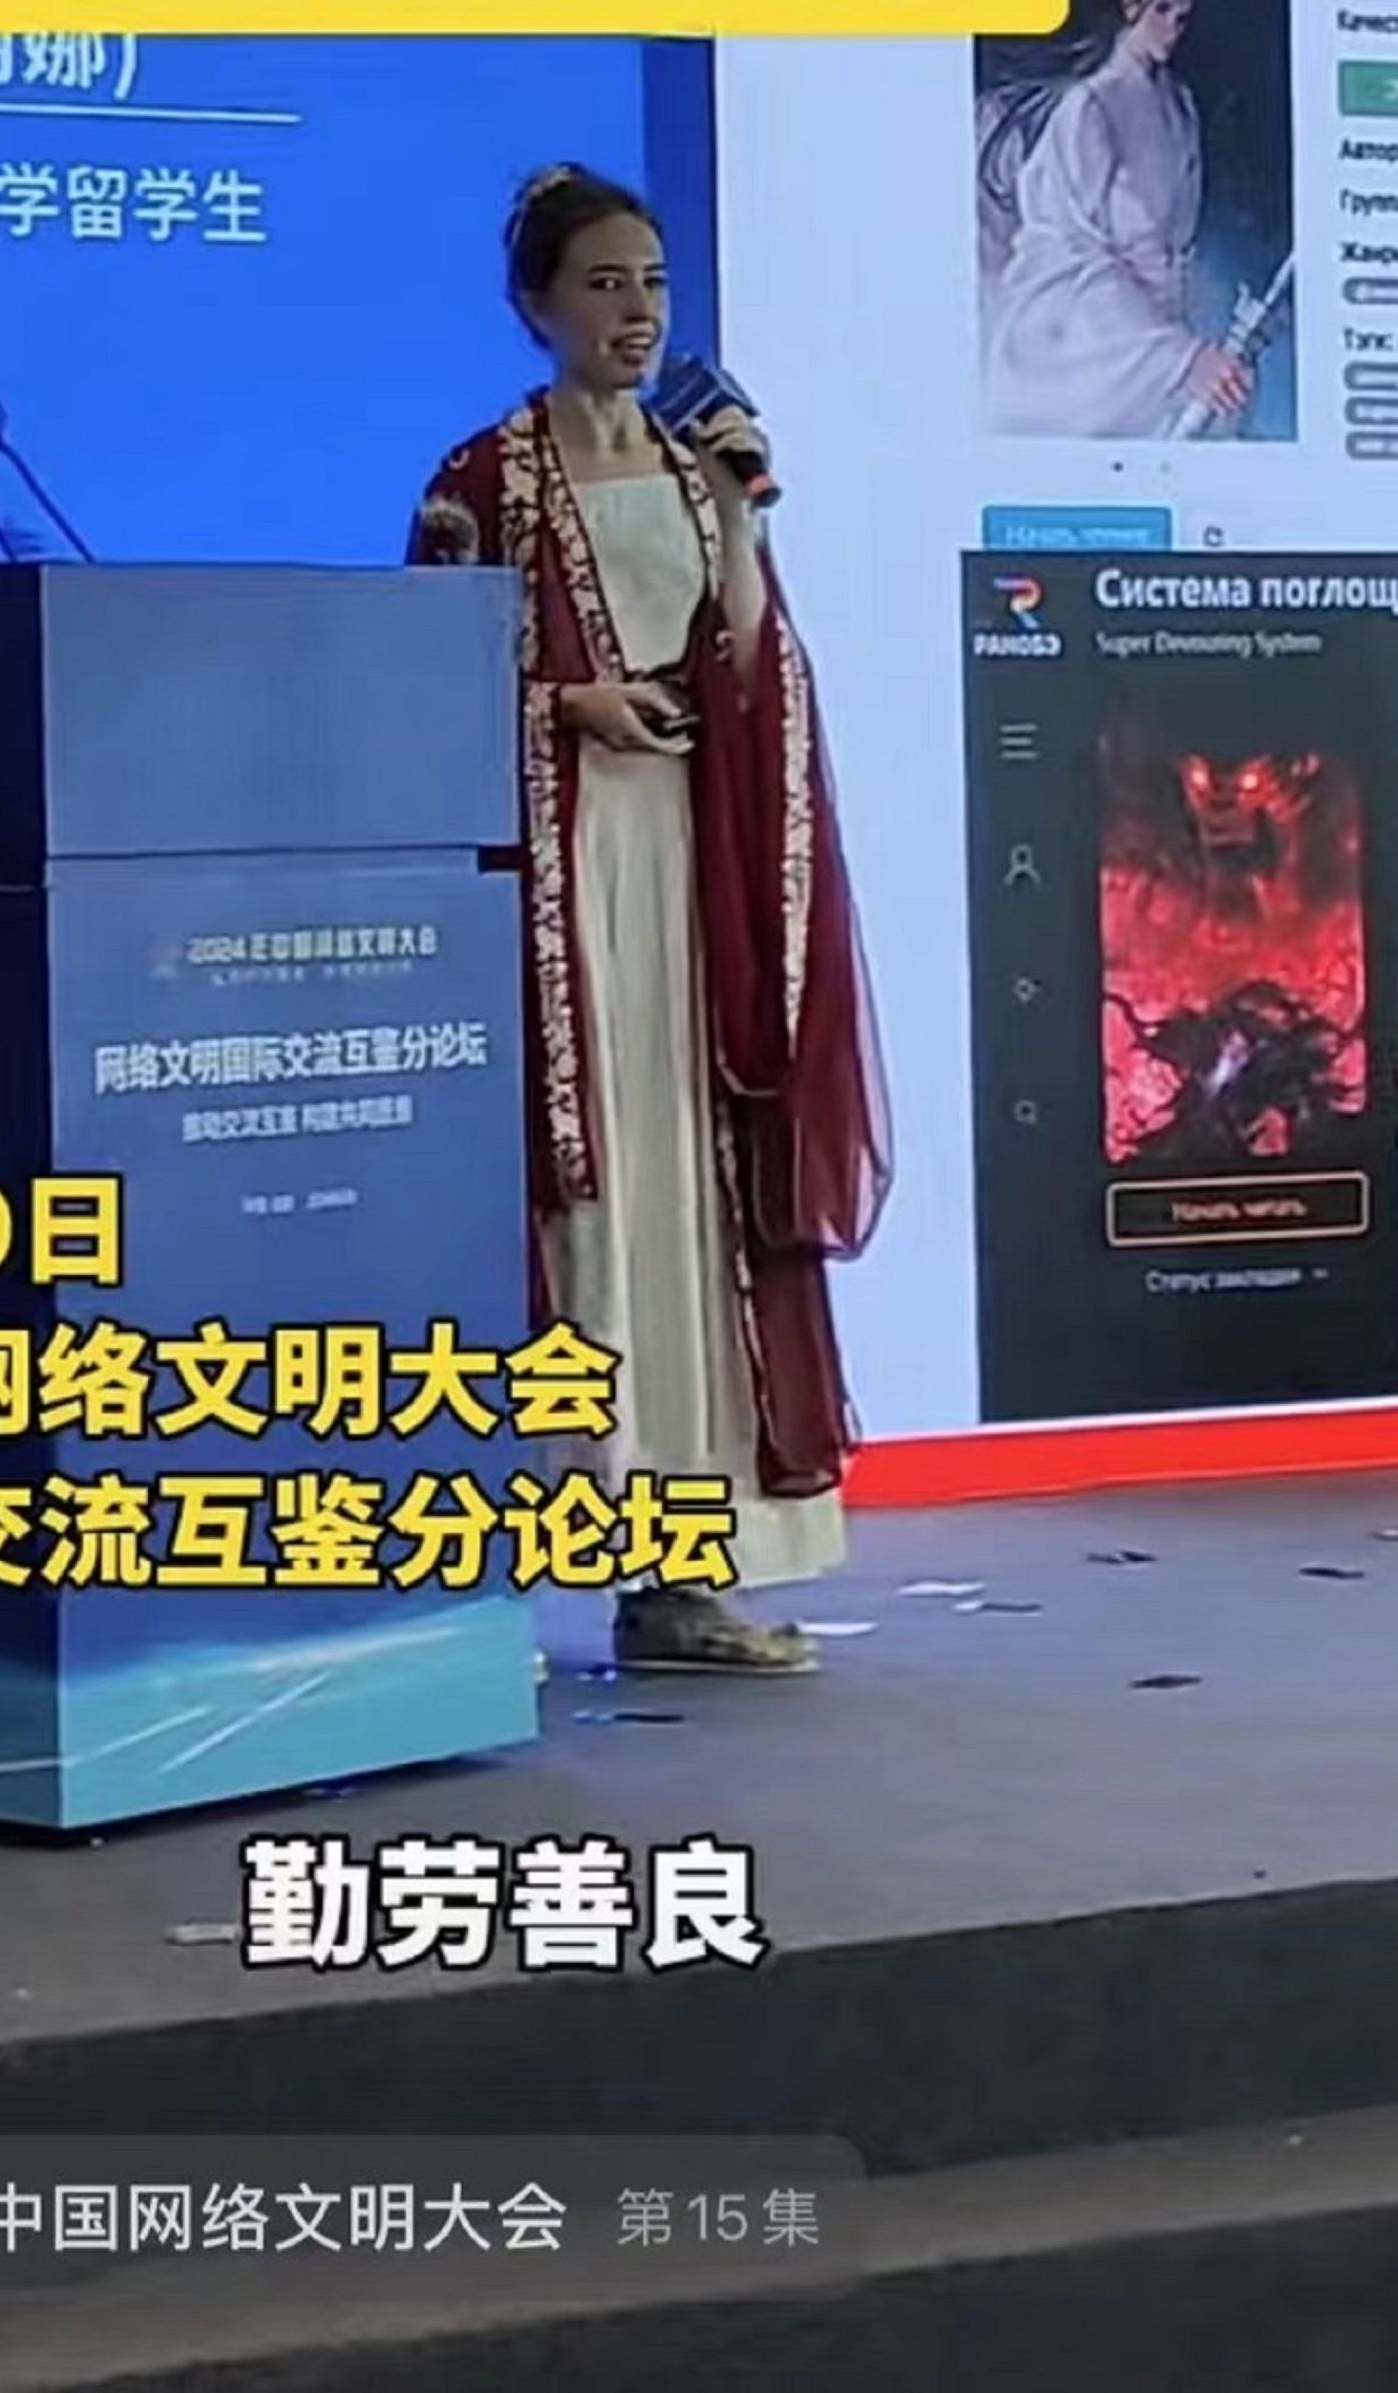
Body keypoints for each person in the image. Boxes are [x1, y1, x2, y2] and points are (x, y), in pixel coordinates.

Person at [407, 166, 890, 1676]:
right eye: (604, 283)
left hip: (690, 872)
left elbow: (754, 660)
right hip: (558, 884)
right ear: (536, 305)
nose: (636, 313)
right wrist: (565, 704)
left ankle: (680, 1576)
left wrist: (742, 512)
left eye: (654, 284)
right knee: (576, 1198)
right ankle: (500, 1575)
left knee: (690, 1193)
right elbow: (416, 684)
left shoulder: (697, 470)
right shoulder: (482, 480)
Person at [978, 0, 1253, 440]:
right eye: (1163, 10)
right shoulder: (1090, 107)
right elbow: (1069, 251)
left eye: (1183, 15)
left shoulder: (1179, 105)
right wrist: (1177, 358)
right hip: (1091, 347)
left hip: (1164, 335)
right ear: (1132, 4)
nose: (1174, 27)